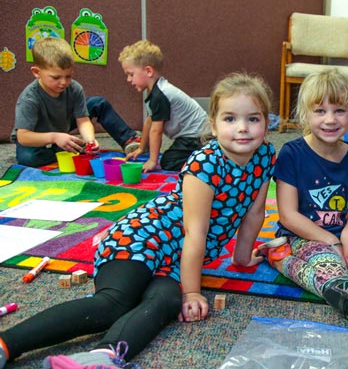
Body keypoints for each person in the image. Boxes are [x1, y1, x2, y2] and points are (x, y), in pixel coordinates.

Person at [0, 72, 276, 369]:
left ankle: (102, 357)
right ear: (213, 124)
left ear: (267, 122)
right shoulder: (205, 163)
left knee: (167, 301)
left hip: (176, 258)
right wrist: (194, 290)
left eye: (254, 119)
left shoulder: (266, 155)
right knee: (114, 303)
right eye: (230, 119)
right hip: (143, 236)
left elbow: (254, 213)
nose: (243, 128)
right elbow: (195, 231)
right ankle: (7, 344)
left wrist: (242, 256)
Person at [260, 69, 348, 332]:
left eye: (340, 111)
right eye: (320, 111)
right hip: (301, 236)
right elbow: (288, 215)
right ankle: (279, 258)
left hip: (343, 233)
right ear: (305, 114)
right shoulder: (291, 153)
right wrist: (332, 241)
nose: (330, 120)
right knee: (332, 273)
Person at [12, 37, 141, 168]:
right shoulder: (29, 98)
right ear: (36, 72)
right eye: (56, 77)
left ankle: (128, 140)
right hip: (36, 135)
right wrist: (55, 137)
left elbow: (83, 120)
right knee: (28, 158)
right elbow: (23, 137)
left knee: (98, 103)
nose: (64, 82)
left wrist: (90, 139)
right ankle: (61, 149)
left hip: (63, 122)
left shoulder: (74, 88)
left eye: (68, 76)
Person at [119, 39, 209, 172]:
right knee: (170, 157)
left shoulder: (160, 95)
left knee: (168, 162)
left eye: (131, 75)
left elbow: (156, 131)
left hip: (198, 138)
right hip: (190, 137)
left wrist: (152, 160)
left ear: (148, 71)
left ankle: (205, 161)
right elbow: (149, 122)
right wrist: (141, 148)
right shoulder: (155, 91)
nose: (128, 80)